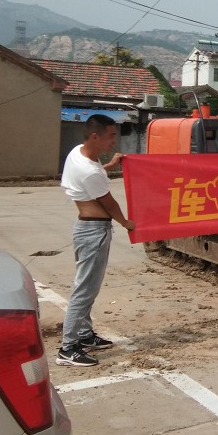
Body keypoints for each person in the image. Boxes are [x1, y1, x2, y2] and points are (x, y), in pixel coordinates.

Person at [56, 114, 135, 367]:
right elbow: (109, 203)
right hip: (93, 232)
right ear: (95, 136)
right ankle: (68, 348)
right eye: (110, 135)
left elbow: (93, 175)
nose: (114, 140)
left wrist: (110, 165)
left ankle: (84, 334)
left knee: (86, 287)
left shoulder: (77, 153)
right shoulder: (90, 171)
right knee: (85, 289)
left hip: (86, 228)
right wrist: (126, 222)